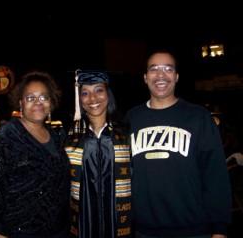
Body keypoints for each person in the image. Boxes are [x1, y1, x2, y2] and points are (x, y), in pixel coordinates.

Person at [125, 50, 232, 238]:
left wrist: (219, 229)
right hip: (144, 231)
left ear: (176, 77)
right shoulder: (131, 118)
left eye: (168, 69)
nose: (160, 75)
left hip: (194, 230)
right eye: (154, 69)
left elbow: (216, 175)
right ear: (145, 77)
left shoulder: (199, 117)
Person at [0, 71, 70, 238]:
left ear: (51, 102)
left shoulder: (58, 137)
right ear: (21, 103)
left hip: (59, 231)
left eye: (44, 97)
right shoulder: (4, 139)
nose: (38, 102)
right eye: (30, 98)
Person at [65, 70, 132, 238]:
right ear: (79, 99)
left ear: (108, 94)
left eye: (99, 90)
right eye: (85, 93)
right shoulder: (69, 140)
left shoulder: (126, 135)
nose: (93, 98)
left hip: (120, 223)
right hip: (82, 225)